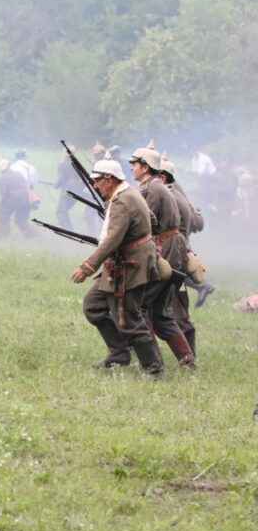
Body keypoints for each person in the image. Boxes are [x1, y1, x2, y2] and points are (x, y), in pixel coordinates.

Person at [73, 157, 164, 375]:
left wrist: (87, 267)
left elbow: (112, 240)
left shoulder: (123, 201)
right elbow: (151, 221)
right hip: (121, 262)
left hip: (129, 266)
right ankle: (119, 353)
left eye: (97, 181)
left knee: (128, 320)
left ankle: (153, 369)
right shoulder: (127, 194)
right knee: (93, 306)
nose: (95, 186)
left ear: (109, 179)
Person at [128, 143, 194, 366]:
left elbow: (145, 224)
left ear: (145, 167)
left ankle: (150, 360)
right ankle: (187, 358)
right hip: (170, 248)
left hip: (165, 249)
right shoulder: (157, 187)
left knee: (140, 305)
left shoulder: (153, 190)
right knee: (161, 311)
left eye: (135, 164)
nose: (131, 168)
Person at [158, 155, 203, 356]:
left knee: (177, 311)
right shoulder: (175, 195)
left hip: (174, 255)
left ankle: (188, 357)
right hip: (175, 253)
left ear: (162, 177)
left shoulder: (172, 198)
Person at [0, 158, 35, 238]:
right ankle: (34, 235)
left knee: (2, 215)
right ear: (9, 165)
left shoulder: (1, 179)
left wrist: (0, 203)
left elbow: (4, 196)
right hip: (27, 199)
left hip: (14, 200)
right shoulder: (18, 174)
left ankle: (3, 234)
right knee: (20, 219)